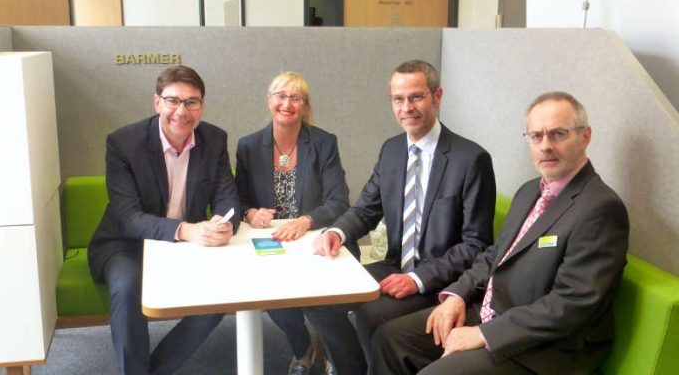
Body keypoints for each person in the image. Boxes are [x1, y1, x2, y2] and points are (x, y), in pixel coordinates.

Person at [371, 91, 630, 375]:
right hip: (492, 311)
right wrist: (457, 295)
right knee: (391, 339)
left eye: (558, 134)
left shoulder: (600, 208)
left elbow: (572, 304)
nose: (545, 146)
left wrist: (484, 335)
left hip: (546, 347)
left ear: (585, 137)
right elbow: (495, 254)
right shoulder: (530, 190)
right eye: (536, 136)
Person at [312, 59, 497, 372]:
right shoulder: (392, 150)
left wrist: (417, 279)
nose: (406, 107)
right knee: (320, 301)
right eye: (398, 99)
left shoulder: (470, 159)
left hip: (440, 281)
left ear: (437, 97)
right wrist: (335, 232)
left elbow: (476, 244)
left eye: (416, 97)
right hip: (395, 267)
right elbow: (366, 209)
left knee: (372, 317)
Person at [87, 65, 240, 375]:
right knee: (129, 287)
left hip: (187, 246)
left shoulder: (214, 139)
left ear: (202, 105)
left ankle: (154, 371)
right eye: (173, 101)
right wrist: (186, 230)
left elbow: (227, 196)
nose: (181, 111)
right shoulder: (123, 143)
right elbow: (128, 218)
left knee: (222, 293)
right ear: (157, 102)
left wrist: (224, 223)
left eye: (191, 102)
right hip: (126, 244)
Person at [235, 71, 351, 375]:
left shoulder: (324, 143)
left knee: (326, 298)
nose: (287, 103)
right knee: (269, 291)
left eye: (296, 98)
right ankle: (302, 347)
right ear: (269, 100)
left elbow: (339, 200)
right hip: (271, 240)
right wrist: (249, 213)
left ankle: (330, 350)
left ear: (305, 106)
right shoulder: (248, 146)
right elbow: (237, 199)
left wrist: (305, 220)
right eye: (280, 96)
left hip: (316, 236)